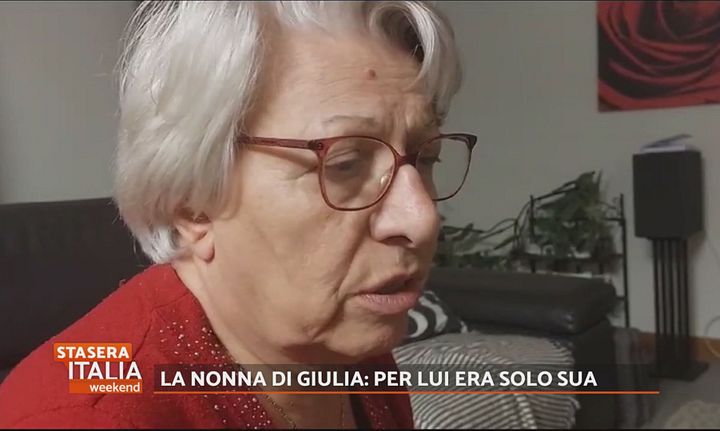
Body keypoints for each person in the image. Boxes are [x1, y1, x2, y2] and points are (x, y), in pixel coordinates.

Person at [0, 1, 476, 428]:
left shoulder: (353, 349)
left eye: (426, 157)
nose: (421, 218)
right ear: (192, 201)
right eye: (345, 164)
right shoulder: (87, 415)